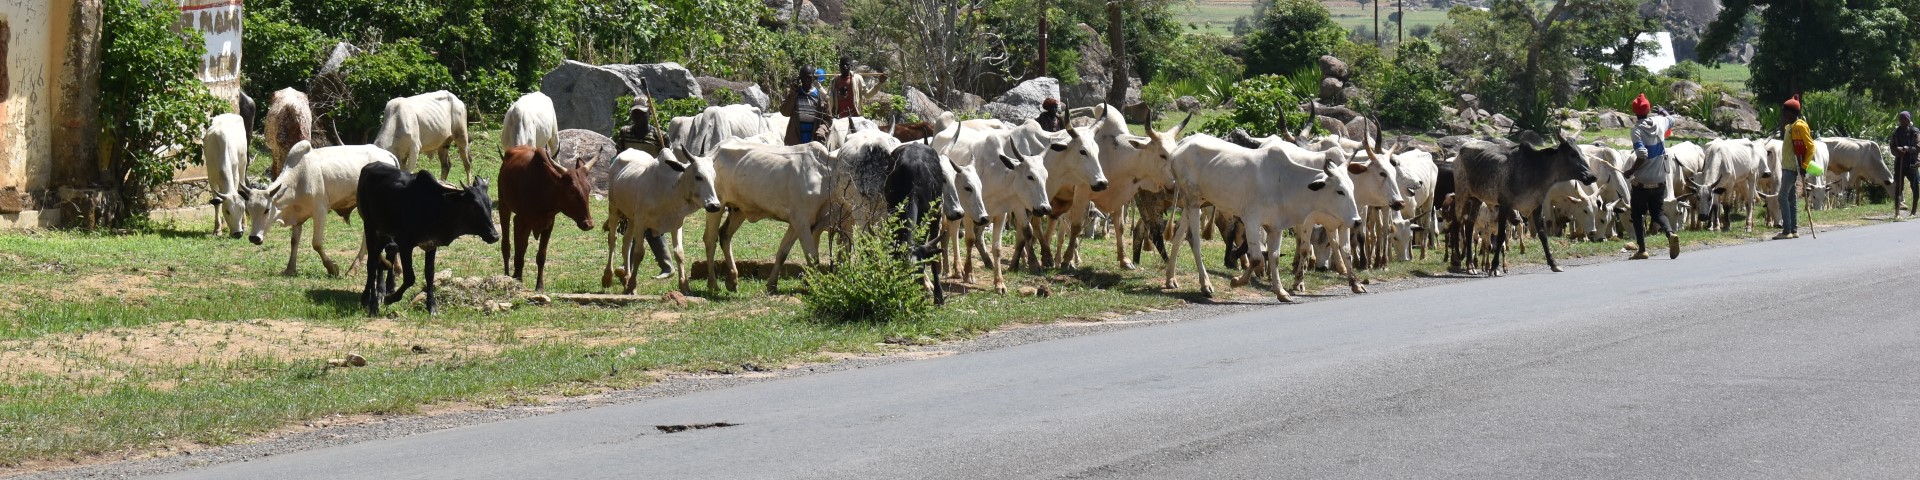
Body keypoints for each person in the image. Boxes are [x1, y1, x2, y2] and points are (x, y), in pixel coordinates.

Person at [1625, 93, 1679, 260]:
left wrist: (1631, 171)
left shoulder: (1637, 131)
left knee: (1637, 215)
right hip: (1660, 179)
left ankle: (1642, 250)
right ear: (1648, 110)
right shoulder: (1659, 121)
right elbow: (1672, 120)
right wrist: (1663, 112)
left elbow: (1641, 153)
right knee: (1658, 213)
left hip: (1642, 182)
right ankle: (1670, 234)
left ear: (1635, 113)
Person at [1776, 95, 1812, 239]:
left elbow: (1811, 147)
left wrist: (1805, 165)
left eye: (1785, 112)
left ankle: (1786, 231)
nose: (1783, 115)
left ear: (1791, 113)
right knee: (1791, 198)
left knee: (1782, 196)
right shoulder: (1790, 127)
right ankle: (1793, 230)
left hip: (1792, 167)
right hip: (1787, 166)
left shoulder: (1799, 126)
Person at [783, 64, 824, 145]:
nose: (806, 80)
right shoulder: (795, 94)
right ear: (800, 78)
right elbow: (785, 112)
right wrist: (793, 92)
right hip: (795, 142)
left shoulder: (820, 96)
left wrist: (822, 131)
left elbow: (827, 119)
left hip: (814, 141)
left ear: (814, 78)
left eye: (809, 77)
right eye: (803, 77)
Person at [1891, 111, 1919, 218]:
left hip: (1912, 163)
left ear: (1908, 120)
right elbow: (1892, 147)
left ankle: (1913, 212)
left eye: (1904, 119)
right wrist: (1897, 150)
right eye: (1900, 119)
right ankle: (1897, 213)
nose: (1902, 121)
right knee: (1898, 188)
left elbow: (1918, 147)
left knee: (1915, 187)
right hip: (1900, 163)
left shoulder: (1915, 132)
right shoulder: (1896, 132)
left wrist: (1907, 149)